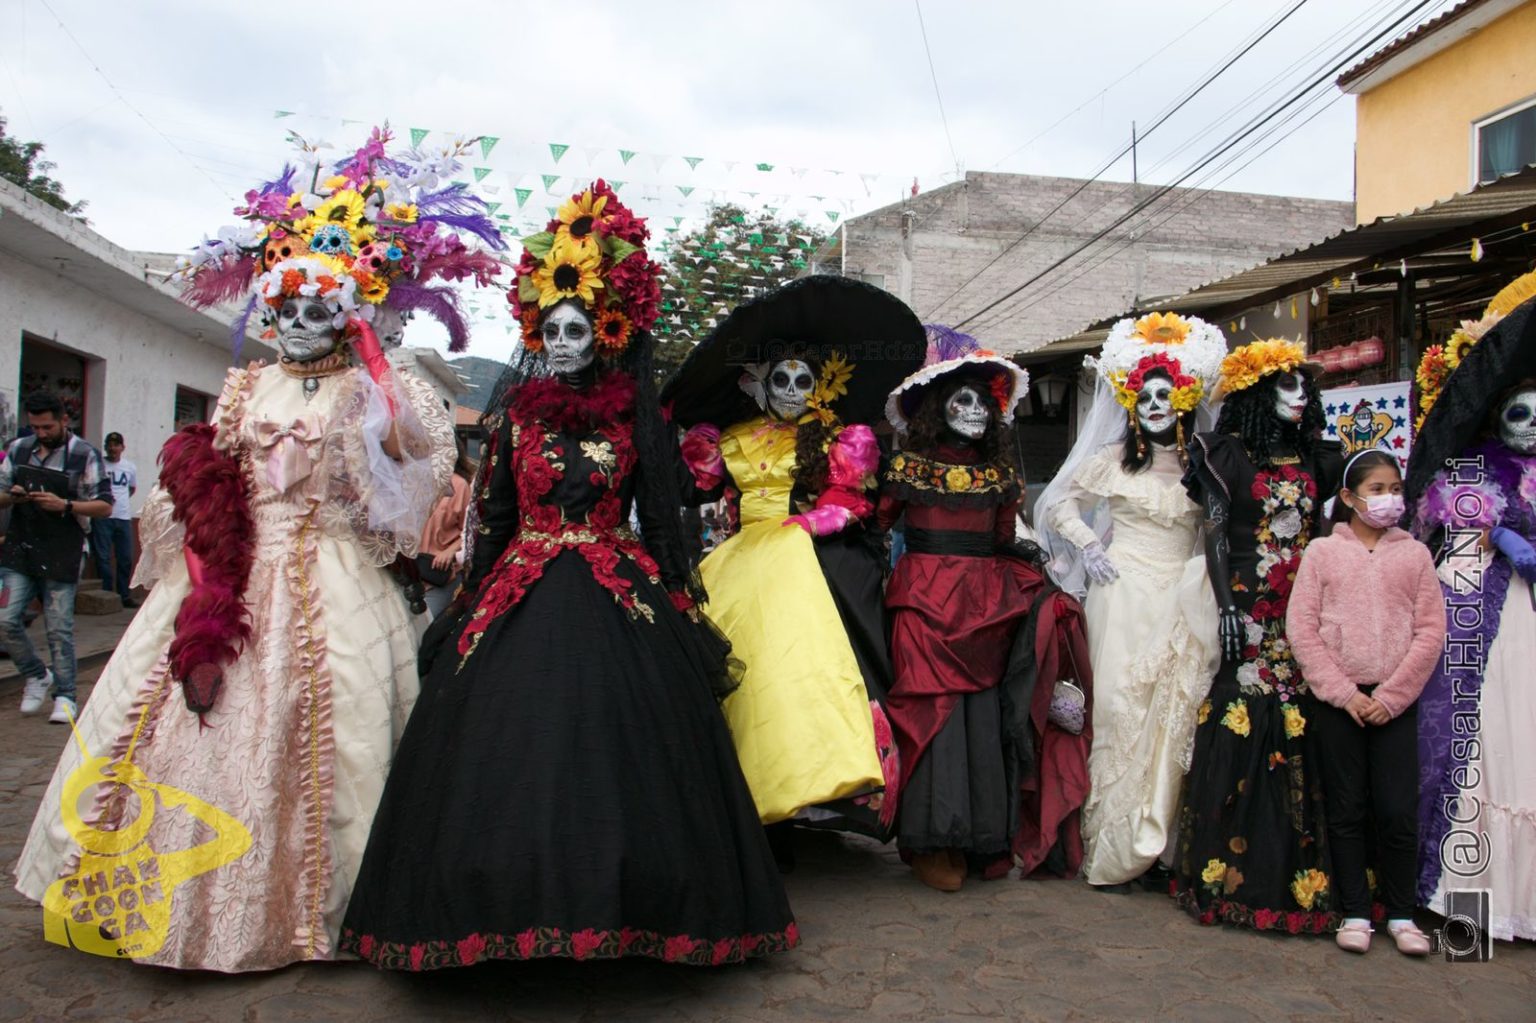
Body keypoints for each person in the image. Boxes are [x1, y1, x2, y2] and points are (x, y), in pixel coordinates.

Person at [13, 128, 488, 971]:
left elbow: (415, 470)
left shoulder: (382, 382)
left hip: (338, 575)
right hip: (230, 575)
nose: (301, 325)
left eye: (321, 308)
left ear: (352, 306)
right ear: (268, 307)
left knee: (342, 742)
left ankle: (332, 910)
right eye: (287, 308)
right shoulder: (244, 384)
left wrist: (379, 382)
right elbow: (204, 479)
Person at [340, 181, 797, 969]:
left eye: (575, 327)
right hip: (522, 585)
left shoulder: (634, 420)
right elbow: (497, 517)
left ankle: (627, 909)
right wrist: (471, 599)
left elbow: (660, 517)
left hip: (619, 587)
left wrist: (683, 602)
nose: (559, 341)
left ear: (603, 332)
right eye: (548, 328)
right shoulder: (518, 415)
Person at [664, 275, 926, 863]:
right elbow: (692, 486)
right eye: (779, 379)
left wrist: (810, 524)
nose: (790, 390)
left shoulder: (839, 437)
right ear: (759, 384)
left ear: (818, 386)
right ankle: (745, 796)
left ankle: (817, 790)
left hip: (805, 562)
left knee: (810, 671)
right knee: (737, 671)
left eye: (802, 380)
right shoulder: (730, 439)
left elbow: (853, 499)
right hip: (739, 562)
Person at [879, 326, 1080, 890]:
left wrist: (1040, 567)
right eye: (961, 400)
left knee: (978, 718)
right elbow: (875, 526)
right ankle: (932, 838)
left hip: (981, 606)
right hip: (921, 601)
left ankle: (975, 837)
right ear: (936, 409)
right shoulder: (907, 469)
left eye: (981, 402)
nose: (973, 411)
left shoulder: (1001, 476)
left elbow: (999, 539)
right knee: (932, 713)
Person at [1035, 312, 1224, 892]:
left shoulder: (1203, 464)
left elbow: (1216, 526)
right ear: (1130, 403)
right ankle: (1113, 841)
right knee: (1118, 710)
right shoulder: (1115, 458)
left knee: (1174, 713)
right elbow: (1058, 505)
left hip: (1184, 598)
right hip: (1121, 596)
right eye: (1145, 396)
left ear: (1185, 399)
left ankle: (1163, 848)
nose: (1156, 405)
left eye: (1167, 395)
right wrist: (1090, 547)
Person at [1172, 338, 1344, 933]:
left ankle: (1308, 873)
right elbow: (1216, 533)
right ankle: (1237, 871)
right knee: (1247, 713)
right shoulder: (1227, 455)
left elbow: (1334, 533)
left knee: (1306, 713)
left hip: (1310, 602)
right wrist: (1225, 604)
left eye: (1305, 387)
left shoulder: (1322, 458)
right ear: (1256, 395)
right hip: (1248, 600)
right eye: (1286, 386)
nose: (1300, 398)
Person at [1408, 272, 1536, 943]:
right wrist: (1500, 535)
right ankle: (1471, 907)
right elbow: (1457, 531)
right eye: (1520, 410)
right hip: (1478, 621)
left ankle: (1526, 904)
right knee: (1476, 746)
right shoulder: (1468, 467)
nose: (1533, 425)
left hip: (1528, 623)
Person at [1286, 449, 1442, 955]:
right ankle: (1355, 912)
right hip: (1340, 702)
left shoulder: (1415, 554)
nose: (1388, 498)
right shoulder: (1323, 554)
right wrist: (1344, 693)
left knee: (1397, 810)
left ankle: (1400, 914)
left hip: (1394, 701)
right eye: (1377, 489)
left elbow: (1430, 631)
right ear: (1349, 498)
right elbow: (1302, 629)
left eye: (1395, 488)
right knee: (1347, 809)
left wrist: (1392, 697)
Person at [0, 391, 113, 723]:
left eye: (47, 426)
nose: (41, 433)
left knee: (59, 628)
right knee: (5, 620)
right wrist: (13, 496)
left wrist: (65, 505)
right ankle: (36, 674)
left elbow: (105, 505)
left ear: (65, 420)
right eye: (35, 427)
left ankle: (65, 695)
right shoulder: (19, 449)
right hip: (20, 547)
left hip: (64, 549)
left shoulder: (84, 454)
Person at [417, 442, 473, 619]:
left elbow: (470, 530)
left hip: (439, 574)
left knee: (427, 624)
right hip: (410, 571)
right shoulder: (413, 479)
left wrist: (450, 551)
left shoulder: (459, 485)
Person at [91, 431, 138, 608]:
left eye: (116, 445)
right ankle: (107, 593)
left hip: (123, 516)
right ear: (105, 447)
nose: (112, 448)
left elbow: (131, 489)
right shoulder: (99, 465)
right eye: (109, 445)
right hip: (103, 516)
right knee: (102, 556)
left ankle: (124, 595)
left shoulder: (129, 467)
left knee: (125, 557)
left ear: (122, 447)